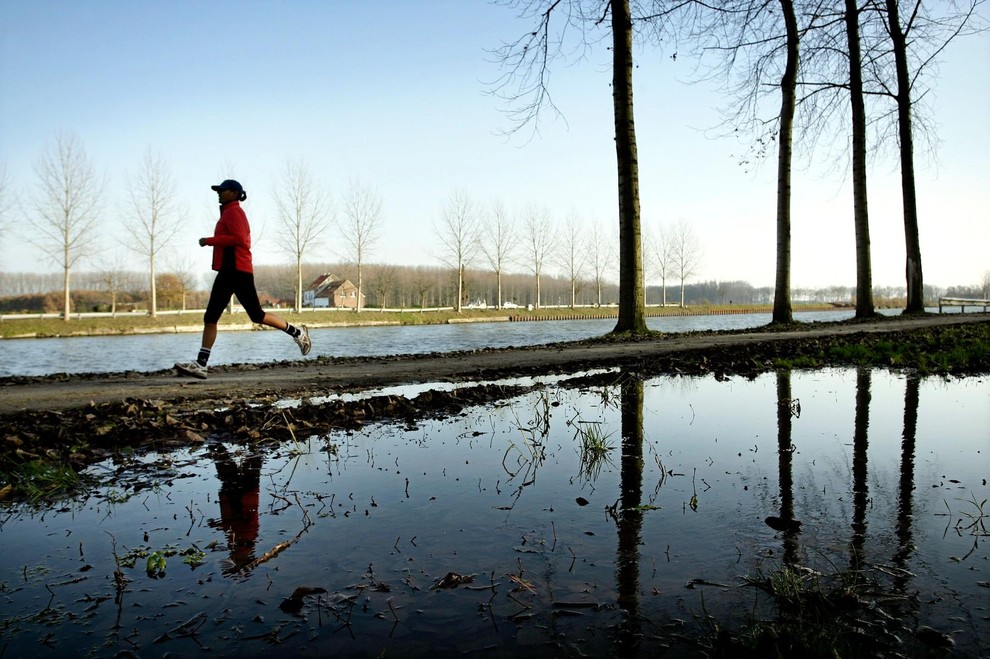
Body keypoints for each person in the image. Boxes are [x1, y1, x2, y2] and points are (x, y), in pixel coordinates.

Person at [174, 179, 310, 379]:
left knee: (256, 315)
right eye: (218, 190)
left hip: (238, 270)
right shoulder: (228, 212)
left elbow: (241, 240)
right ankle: (201, 364)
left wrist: (209, 241)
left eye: (222, 190)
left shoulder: (235, 213)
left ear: (234, 193)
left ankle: (298, 332)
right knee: (211, 317)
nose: (218, 193)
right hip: (228, 271)